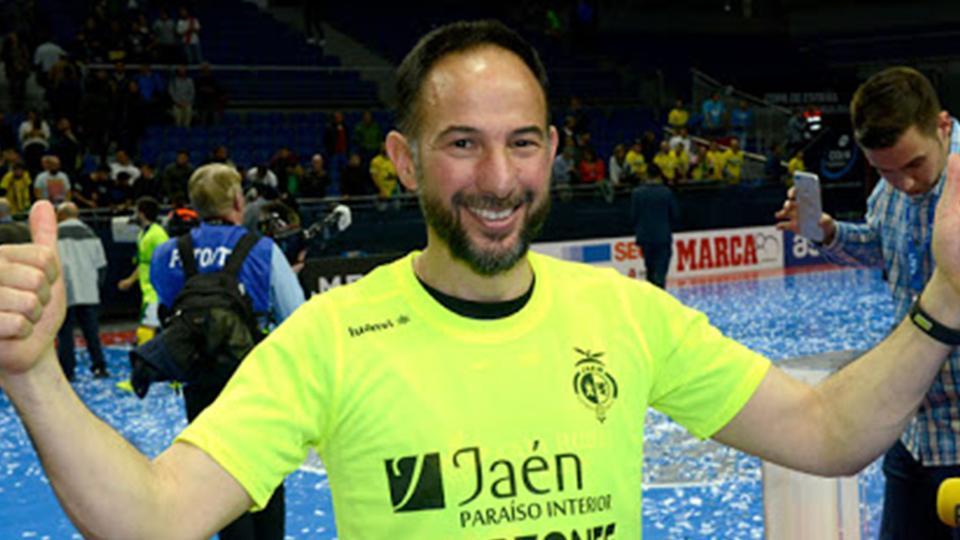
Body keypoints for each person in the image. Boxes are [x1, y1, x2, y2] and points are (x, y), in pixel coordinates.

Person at [2, 20, 960, 540]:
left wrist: (948, 297)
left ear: (551, 152)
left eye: (523, 143)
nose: (499, 180)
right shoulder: (331, 340)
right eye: (463, 144)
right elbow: (157, 517)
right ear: (405, 161)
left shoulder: (626, 315)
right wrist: (35, 376)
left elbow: (830, 435)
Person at [776, 66, 960, 539]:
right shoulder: (892, 186)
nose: (905, 184)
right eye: (884, 171)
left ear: (942, 125)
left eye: (914, 165)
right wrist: (829, 233)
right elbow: (882, 242)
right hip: (914, 426)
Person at [150, 163, 305, 539]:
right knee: (264, 477)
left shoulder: (167, 253)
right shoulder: (261, 251)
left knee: (214, 474)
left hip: (199, 382)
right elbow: (297, 319)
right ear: (238, 199)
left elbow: (167, 309)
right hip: (256, 382)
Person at [54, 202, 108, 380]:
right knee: (91, 332)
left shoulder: (54, 235)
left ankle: (67, 371)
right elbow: (101, 265)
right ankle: (99, 366)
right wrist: (96, 286)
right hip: (88, 289)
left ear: (60, 216)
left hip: (64, 290)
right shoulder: (90, 234)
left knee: (65, 334)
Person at [117, 196, 169, 346]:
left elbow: (165, 260)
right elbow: (143, 263)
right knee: (149, 328)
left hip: (156, 291)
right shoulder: (143, 234)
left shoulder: (157, 234)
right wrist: (130, 280)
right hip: (147, 290)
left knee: (147, 329)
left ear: (141, 213)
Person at [631, 181, 680, 288]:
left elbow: (633, 216)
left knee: (650, 268)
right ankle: (659, 291)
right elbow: (675, 215)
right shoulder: (666, 193)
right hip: (662, 237)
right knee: (661, 270)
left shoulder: (637, 193)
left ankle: (652, 292)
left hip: (645, 237)